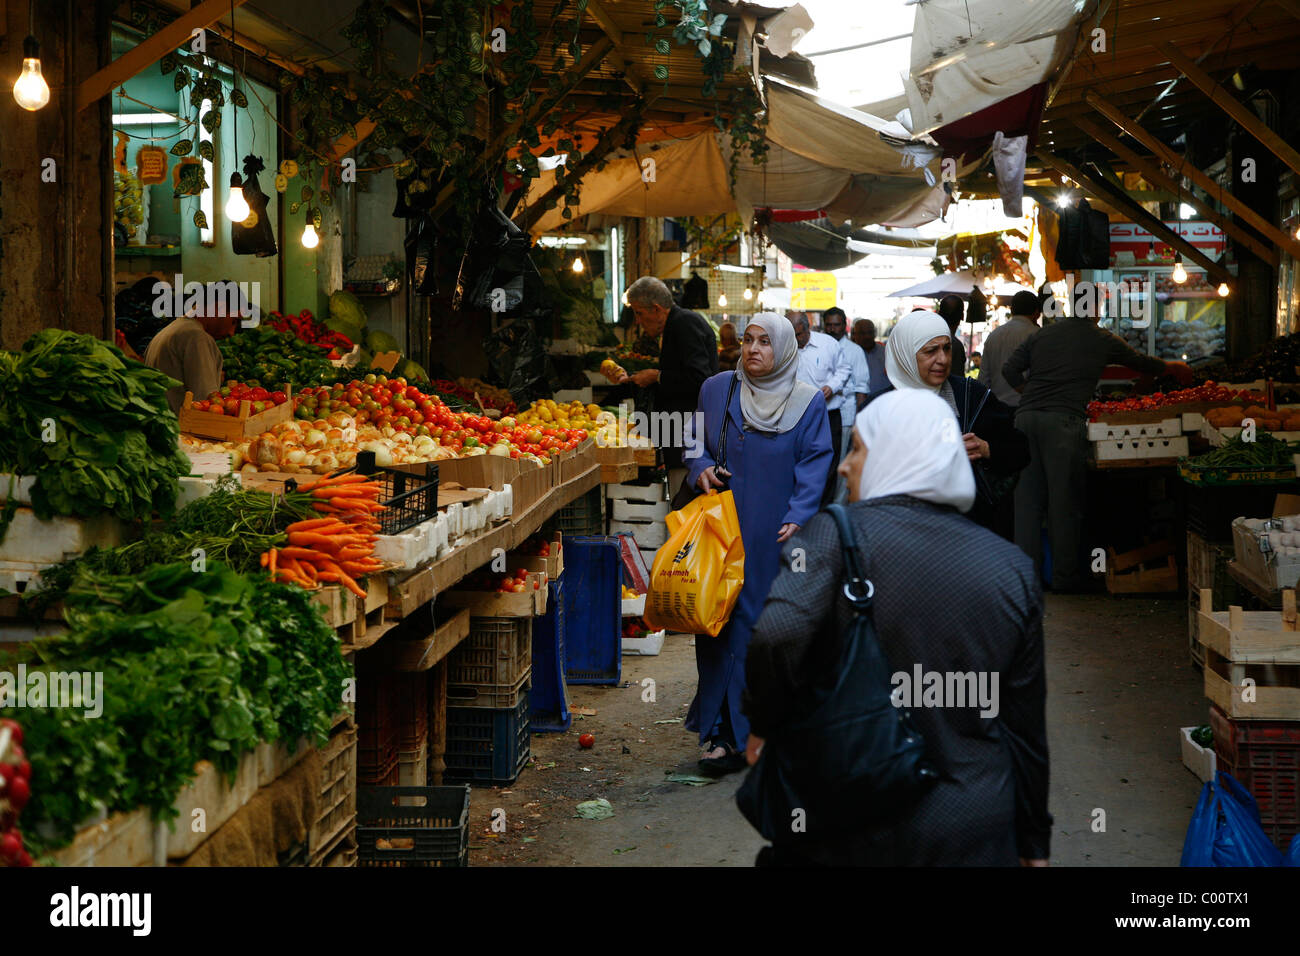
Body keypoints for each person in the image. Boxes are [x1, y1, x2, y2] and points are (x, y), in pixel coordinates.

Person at [743, 389, 1051, 866]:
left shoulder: (833, 538)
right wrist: (1033, 842)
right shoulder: (1011, 568)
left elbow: (776, 633)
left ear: (895, 453)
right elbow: (1025, 727)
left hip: (852, 811)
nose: (845, 466)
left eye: (859, 449)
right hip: (972, 819)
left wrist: (765, 722)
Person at [684, 313, 833, 775]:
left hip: (774, 534)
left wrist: (799, 515)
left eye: (766, 342)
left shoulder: (807, 403)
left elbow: (815, 463)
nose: (753, 349)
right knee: (716, 624)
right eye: (748, 340)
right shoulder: (716, 389)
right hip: (721, 529)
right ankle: (720, 735)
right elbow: (693, 441)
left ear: (785, 349)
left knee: (760, 628)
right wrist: (699, 467)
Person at [1003, 302, 1192, 590]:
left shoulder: (1042, 334)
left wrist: (1030, 394)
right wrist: (1172, 366)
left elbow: (1009, 369)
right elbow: (1139, 362)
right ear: (1093, 311)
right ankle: (1066, 580)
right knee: (1063, 504)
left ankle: (1025, 582)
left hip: (1025, 420)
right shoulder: (1101, 337)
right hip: (1063, 423)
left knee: (1027, 505)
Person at [865, 310, 1027, 535]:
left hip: (966, 532)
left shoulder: (971, 397)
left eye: (947, 348)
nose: (942, 359)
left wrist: (985, 449)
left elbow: (1021, 450)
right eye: (931, 351)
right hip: (900, 535)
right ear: (905, 355)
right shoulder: (877, 409)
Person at [621, 276, 719, 486]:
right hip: (681, 437)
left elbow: (700, 378)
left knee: (684, 503)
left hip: (691, 441)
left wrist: (657, 376)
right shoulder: (677, 323)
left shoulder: (683, 323)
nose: (637, 321)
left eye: (639, 313)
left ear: (656, 309)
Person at [143, 286, 238, 414]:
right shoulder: (196, 338)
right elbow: (208, 403)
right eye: (234, 321)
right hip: (180, 429)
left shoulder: (172, 330)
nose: (232, 332)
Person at [789, 313, 851, 506]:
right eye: (792, 336)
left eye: (798, 335)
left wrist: (831, 387)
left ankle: (824, 510)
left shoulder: (828, 344)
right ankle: (800, 505)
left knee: (828, 464)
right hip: (795, 415)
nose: (796, 340)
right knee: (798, 461)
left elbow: (844, 369)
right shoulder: (784, 347)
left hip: (828, 414)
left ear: (808, 329)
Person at [823, 307, 870, 502]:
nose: (833, 329)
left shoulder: (854, 350)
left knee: (843, 460)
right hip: (823, 415)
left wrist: (858, 418)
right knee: (826, 462)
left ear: (844, 326)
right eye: (829, 325)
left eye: (837, 325)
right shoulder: (822, 346)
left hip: (846, 415)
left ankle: (839, 504)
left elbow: (861, 388)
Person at [979, 290, 1042, 407]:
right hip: (1028, 408)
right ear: (1036, 313)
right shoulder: (1038, 335)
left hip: (997, 408)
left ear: (1012, 310)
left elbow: (983, 380)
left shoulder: (994, 336)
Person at [852, 318, 888, 394]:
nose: (867, 336)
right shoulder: (849, 354)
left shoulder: (886, 352)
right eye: (862, 333)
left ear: (875, 333)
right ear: (854, 335)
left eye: (870, 332)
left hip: (884, 399)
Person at [937, 294, 968, 376]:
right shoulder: (955, 345)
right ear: (962, 316)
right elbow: (958, 382)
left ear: (939, 313)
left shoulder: (930, 338)